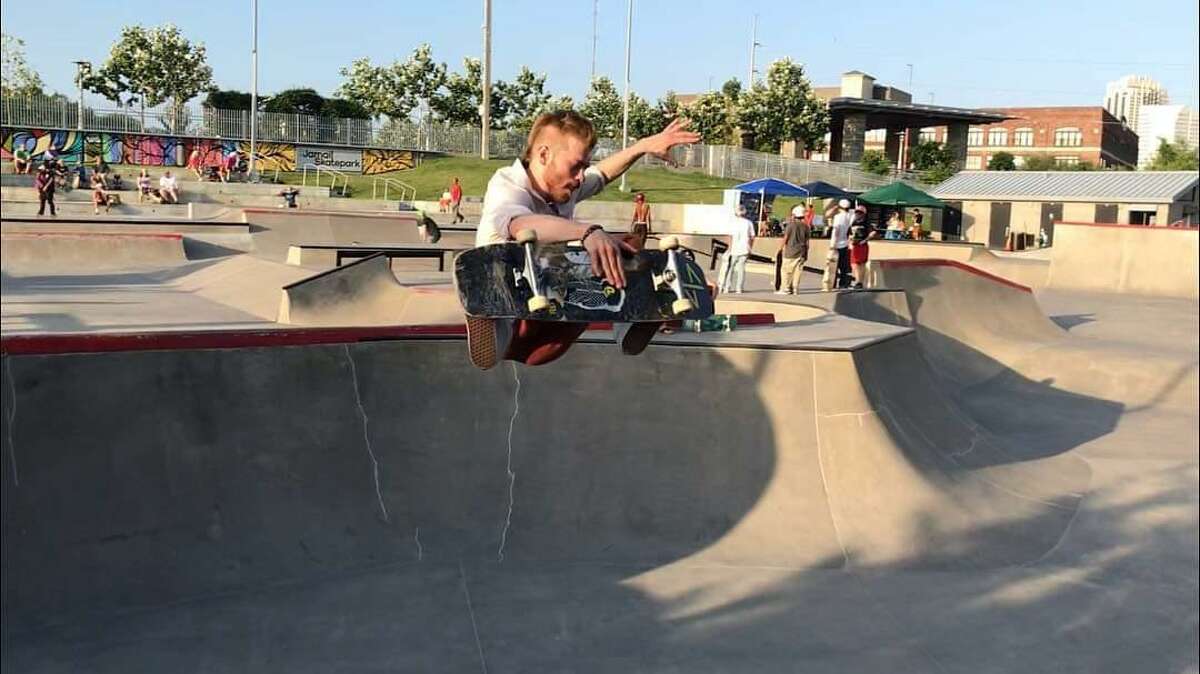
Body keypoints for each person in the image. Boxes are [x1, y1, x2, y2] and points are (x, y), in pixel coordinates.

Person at [468, 110, 699, 370]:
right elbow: (519, 223)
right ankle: (486, 321)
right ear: (544, 155)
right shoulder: (508, 185)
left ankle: (633, 323)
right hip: (515, 317)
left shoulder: (565, 185)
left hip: (552, 320)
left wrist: (643, 146)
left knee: (623, 245)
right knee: (577, 246)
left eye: (583, 168)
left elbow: (602, 175)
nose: (580, 178)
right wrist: (587, 232)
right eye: (576, 166)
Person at [719, 205, 756, 294]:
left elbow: (730, 236)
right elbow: (752, 236)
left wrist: (729, 248)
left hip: (734, 248)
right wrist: (750, 247)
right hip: (745, 248)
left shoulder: (733, 223)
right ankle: (739, 288)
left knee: (730, 268)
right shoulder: (749, 223)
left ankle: (727, 287)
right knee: (741, 269)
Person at [776, 205, 810, 295]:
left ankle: (785, 288)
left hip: (790, 251)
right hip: (801, 251)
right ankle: (795, 288)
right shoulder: (806, 227)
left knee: (786, 271)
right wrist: (806, 253)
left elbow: (785, 238)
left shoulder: (790, 226)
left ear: (794, 215)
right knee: (798, 271)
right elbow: (807, 242)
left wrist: (780, 249)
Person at [825, 198, 855, 289]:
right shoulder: (850, 216)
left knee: (833, 265)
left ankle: (831, 283)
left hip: (836, 244)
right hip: (845, 243)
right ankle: (843, 283)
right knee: (843, 266)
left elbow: (835, 231)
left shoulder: (838, 217)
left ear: (840, 207)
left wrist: (832, 245)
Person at [849, 206, 875, 289]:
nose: (858, 214)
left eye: (860, 213)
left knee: (861, 264)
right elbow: (849, 233)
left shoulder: (866, 223)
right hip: (854, 245)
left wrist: (865, 240)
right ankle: (858, 281)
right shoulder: (853, 222)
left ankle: (859, 282)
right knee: (854, 264)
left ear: (864, 214)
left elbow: (873, 233)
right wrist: (850, 240)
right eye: (857, 212)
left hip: (862, 245)